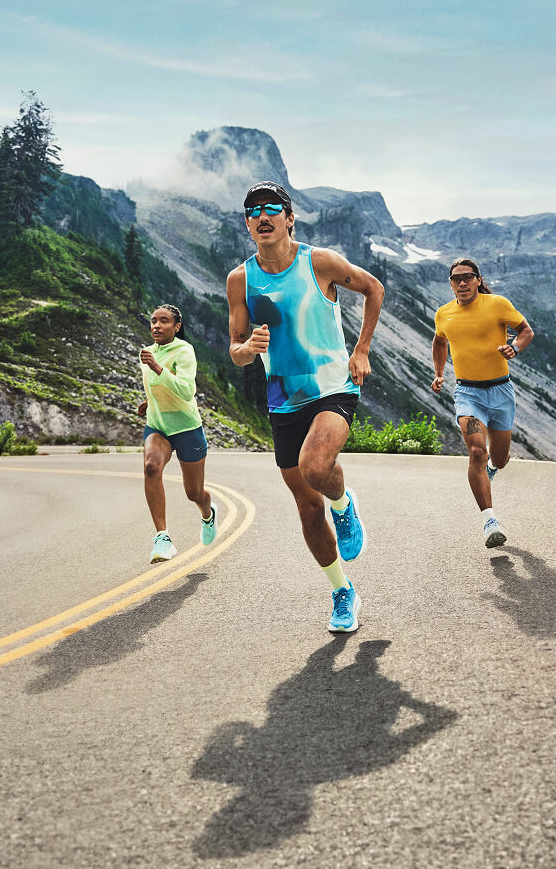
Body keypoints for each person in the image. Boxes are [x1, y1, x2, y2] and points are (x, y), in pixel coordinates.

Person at [226, 180, 385, 633]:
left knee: (315, 468)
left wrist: (362, 349)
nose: (262, 216)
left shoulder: (320, 262)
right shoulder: (240, 280)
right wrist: (248, 349)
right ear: (247, 224)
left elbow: (374, 289)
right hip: (284, 400)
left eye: (271, 208)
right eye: (253, 211)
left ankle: (344, 503)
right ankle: (342, 591)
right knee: (308, 508)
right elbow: (235, 349)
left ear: (289, 218)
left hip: (333, 387)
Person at [431, 258, 534, 548]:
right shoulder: (444, 314)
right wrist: (439, 373)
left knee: (499, 459)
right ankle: (490, 521)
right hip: (468, 393)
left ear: (478, 279)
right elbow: (439, 342)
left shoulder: (497, 304)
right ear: (451, 284)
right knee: (477, 451)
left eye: (468, 277)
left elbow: (526, 331)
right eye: (456, 279)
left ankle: (491, 467)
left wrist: (515, 348)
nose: (462, 283)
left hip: (501, 392)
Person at [138, 303, 217, 563]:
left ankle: (208, 513)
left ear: (177, 326)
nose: (157, 326)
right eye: (154, 321)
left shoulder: (184, 351)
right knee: (151, 467)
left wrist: (157, 368)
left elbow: (186, 391)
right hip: (158, 425)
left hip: (186, 428)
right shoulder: (148, 352)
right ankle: (162, 538)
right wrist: (149, 401)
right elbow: (156, 386)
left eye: (164, 321)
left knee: (194, 493)